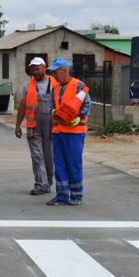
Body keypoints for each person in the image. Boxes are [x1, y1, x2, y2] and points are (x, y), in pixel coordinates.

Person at [45, 58, 90, 206]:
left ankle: (76, 195)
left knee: (73, 164)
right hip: (59, 131)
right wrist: (53, 112)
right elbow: (52, 105)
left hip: (74, 132)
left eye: (56, 72)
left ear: (64, 71)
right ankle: (62, 195)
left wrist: (79, 117)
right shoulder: (55, 88)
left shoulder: (78, 85)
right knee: (60, 164)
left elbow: (86, 105)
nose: (54, 76)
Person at [15, 57, 57, 195]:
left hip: (52, 125)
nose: (35, 72)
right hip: (34, 125)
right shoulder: (28, 86)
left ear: (44, 68)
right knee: (37, 155)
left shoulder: (55, 84)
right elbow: (22, 105)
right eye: (33, 70)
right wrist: (18, 125)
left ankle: (48, 182)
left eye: (37, 69)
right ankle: (40, 184)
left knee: (49, 155)